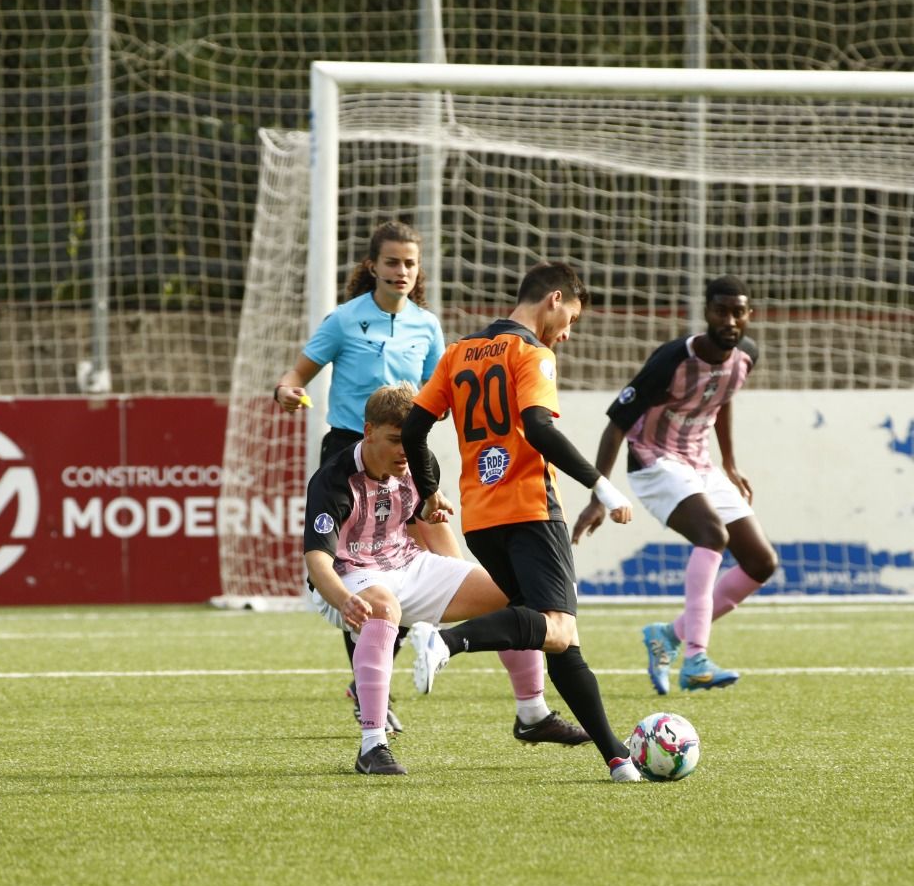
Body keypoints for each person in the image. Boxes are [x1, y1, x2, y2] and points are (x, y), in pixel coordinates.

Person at [401, 262, 645, 783]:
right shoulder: (532, 353)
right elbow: (537, 428)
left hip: (481, 519)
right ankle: (445, 641)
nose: (568, 331)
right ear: (554, 299)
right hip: (532, 509)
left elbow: (414, 427)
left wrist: (427, 491)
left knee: (557, 635)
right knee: (557, 628)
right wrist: (600, 485)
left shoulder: (458, 353)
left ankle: (618, 757)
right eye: (571, 318)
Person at [304, 383, 590, 775]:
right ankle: (372, 745)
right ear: (368, 431)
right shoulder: (333, 479)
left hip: (406, 563)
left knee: (516, 588)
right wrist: (341, 598)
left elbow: (431, 529)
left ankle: (532, 713)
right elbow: (316, 559)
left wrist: (461, 584)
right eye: (394, 440)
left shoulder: (420, 464)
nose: (405, 450)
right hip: (346, 576)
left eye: (412, 439)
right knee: (382, 608)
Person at [272, 221, 446, 728]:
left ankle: (424, 643)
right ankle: (373, 687)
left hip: (406, 454)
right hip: (350, 447)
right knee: (358, 569)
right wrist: (285, 390)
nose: (402, 271)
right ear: (373, 265)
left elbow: (440, 391)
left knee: (428, 548)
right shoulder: (345, 320)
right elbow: (297, 374)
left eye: (410, 263)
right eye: (392, 262)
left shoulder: (426, 325)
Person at [572, 275, 777, 695]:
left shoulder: (746, 356)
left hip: (700, 463)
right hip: (653, 460)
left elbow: (722, 399)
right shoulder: (671, 360)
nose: (731, 320)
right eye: (722, 310)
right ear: (706, 312)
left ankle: (667, 636)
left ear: (749, 315)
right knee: (712, 535)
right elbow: (616, 426)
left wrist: (730, 463)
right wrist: (600, 494)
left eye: (739, 312)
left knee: (760, 562)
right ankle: (696, 659)